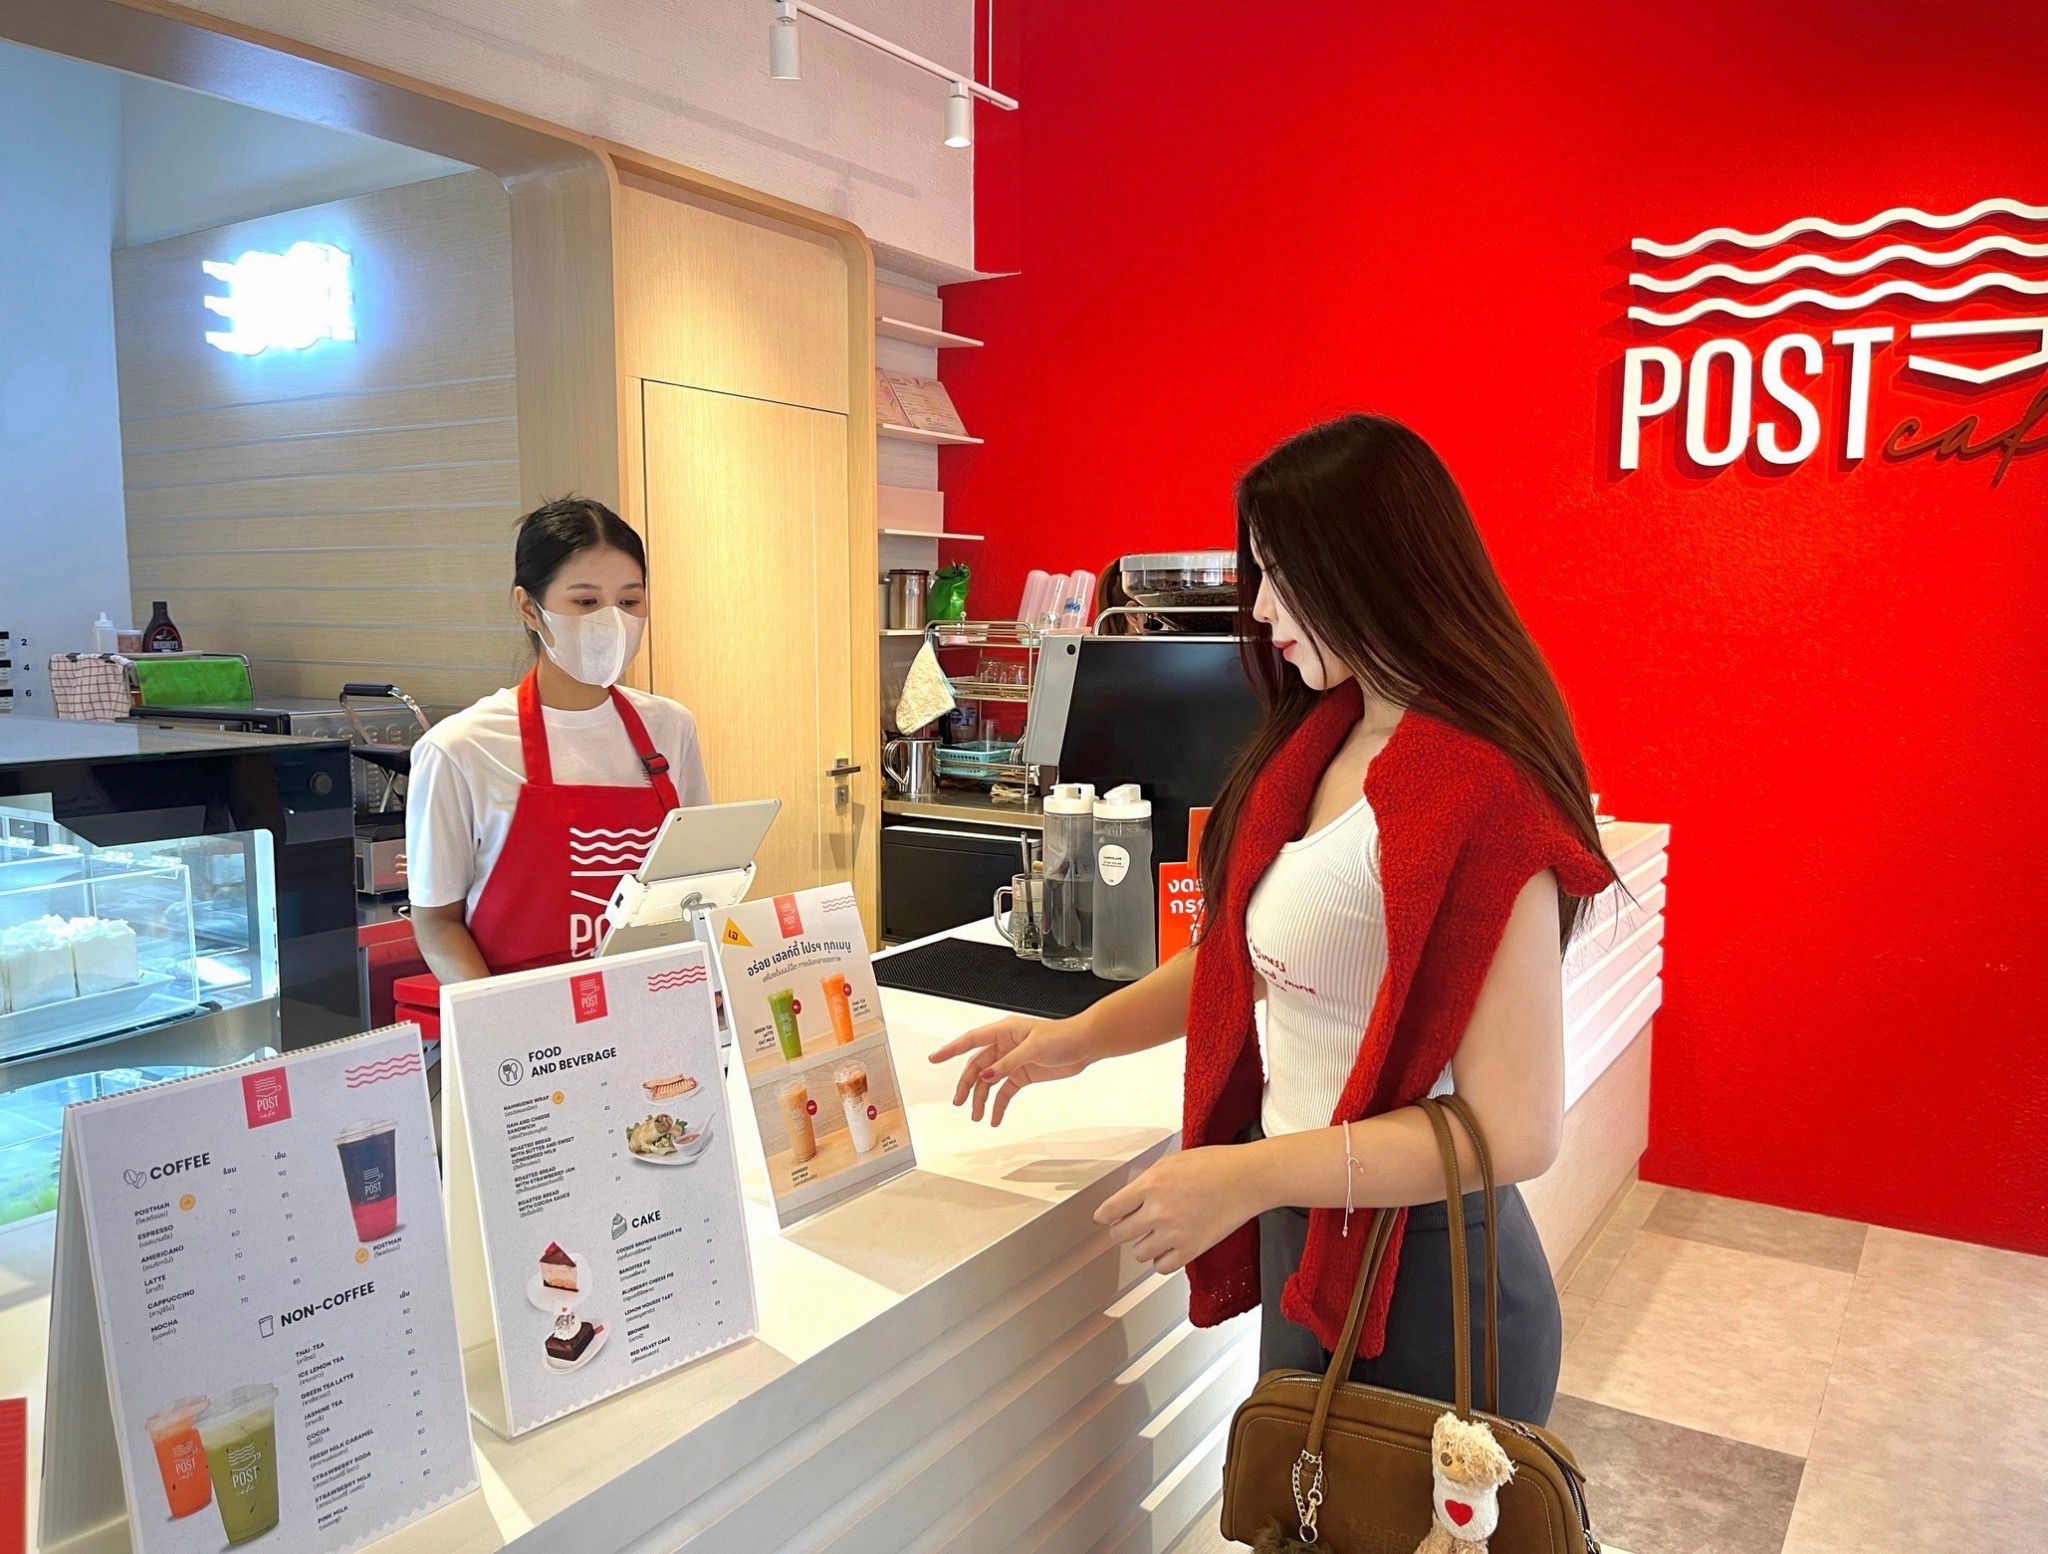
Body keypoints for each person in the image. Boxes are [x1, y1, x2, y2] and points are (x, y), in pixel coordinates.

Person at [933, 415, 1614, 1425]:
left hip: (1427, 1279)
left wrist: (1244, 1175)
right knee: (1289, 1501)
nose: (1259, 608)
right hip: (1316, 1236)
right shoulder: (1324, 743)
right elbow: (1244, 958)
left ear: (1370, 570)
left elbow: (1512, 1132)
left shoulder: (1483, 789)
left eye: (1282, 578)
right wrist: (1072, 1040)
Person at [405, 496, 710, 985]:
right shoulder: (460, 748)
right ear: (529, 608)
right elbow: (437, 923)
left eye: (629, 601)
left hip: (652, 1000)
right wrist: (500, 1015)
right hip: (523, 1020)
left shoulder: (671, 727)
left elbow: (697, 881)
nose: (613, 621)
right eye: (586, 602)